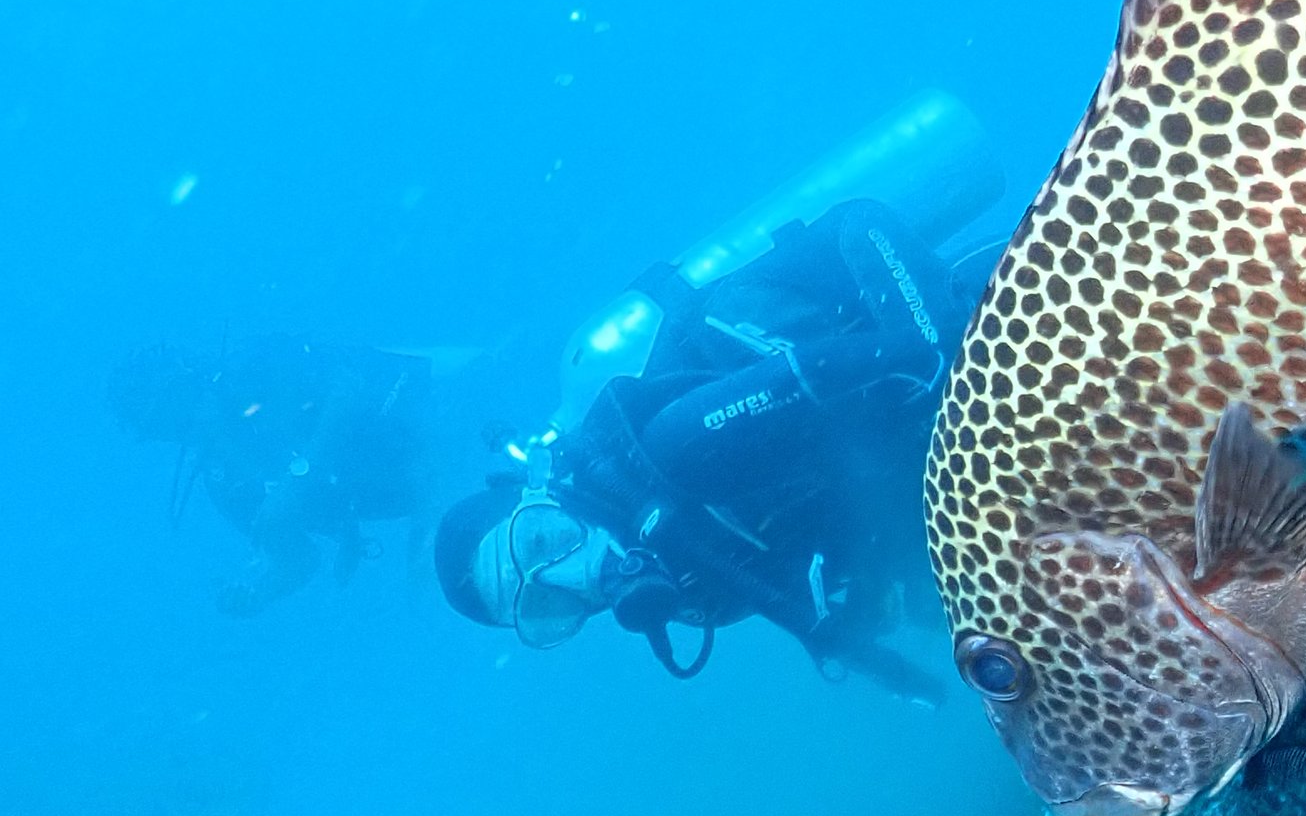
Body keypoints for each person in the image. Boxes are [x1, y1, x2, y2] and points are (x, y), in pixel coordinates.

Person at [434, 195, 975, 697]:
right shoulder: (692, 580)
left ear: (544, 496)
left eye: (542, 541)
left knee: (965, 353)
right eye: (548, 605)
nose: (573, 575)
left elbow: (812, 374)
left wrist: (958, 363)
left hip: (915, 315)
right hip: (916, 442)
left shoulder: (672, 450)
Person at [112, 337, 437, 615]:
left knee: (428, 579)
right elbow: (298, 559)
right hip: (408, 493)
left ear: (184, 384)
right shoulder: (227, 485)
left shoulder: (256, 371)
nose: (177, 431)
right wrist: (256, 594)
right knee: (428, 589)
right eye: (160, 430)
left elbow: (346, 391)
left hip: (430, 434)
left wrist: (295, 482)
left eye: (169, 414)